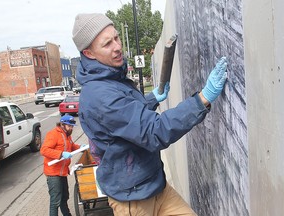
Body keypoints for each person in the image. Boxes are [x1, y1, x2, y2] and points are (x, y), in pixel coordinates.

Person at [72, 13, 228, 216]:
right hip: (133, 201)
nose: (117, 46)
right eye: (107, 43)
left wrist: (151, 99)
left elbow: (127, 118)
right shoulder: (99, 95)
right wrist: (202, 99)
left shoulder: (111, 80)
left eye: (116, 37)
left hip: (154, 186)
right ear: (89, 54)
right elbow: (154, 131)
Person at [40, 115, 82, 216]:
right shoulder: (53, 134)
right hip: (53, 173)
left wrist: (81, 147)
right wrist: (60, 154)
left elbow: (72, 146)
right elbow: (44, 150)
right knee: (55, 200)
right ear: (62, 125)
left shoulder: (67, 135)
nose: (71, 128)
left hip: (62, 172)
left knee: (64, 197)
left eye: (72, 126)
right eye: (69, 126)